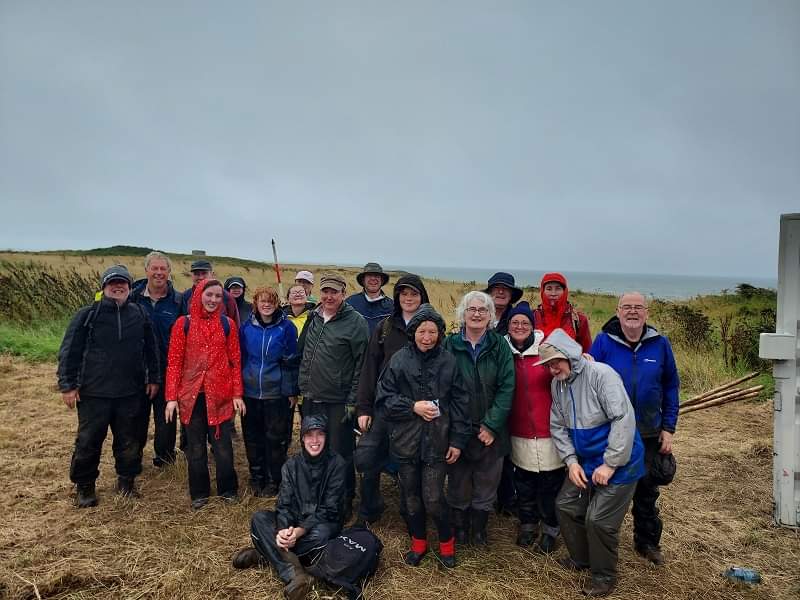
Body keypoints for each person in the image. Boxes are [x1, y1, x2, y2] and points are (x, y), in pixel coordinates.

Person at [538, 329, 645, 597]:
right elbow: (558, 426)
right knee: (565, 505)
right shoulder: (558, 384)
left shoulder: (601, 375)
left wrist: (610, 464)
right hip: (586, 461)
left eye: (556, 362)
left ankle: (603, 577)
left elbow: (622, 418)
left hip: (621, 460)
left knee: (598, 520)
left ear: (570, 356)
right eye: (548, 365)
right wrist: (571, 462)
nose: (553, 369)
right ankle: (582, 559)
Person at [58, 265, 160, 507]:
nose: (118, 287)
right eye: (112, 283)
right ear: (103, 287)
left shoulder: (140, 314)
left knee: (130, 440)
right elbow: (69, 352)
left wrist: (153, 378)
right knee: (88, 441)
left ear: (129, 287)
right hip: (94, 393)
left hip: (131, 392)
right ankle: (85, 487)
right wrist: (68, 385)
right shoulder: (87, 315)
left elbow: (151, 349)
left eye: (122, 283)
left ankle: (126, 482)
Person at [589, 292, 679, 566]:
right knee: (605, 488)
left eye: (638, 307)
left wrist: (668, 427)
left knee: (646, 490)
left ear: (646, 313)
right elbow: (589, 382)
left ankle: (647, 543)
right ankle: (601, 542)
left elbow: (671, 386)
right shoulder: (603, 342)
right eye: (626, 307)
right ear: (617, 312)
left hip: (648, 431)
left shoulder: (660, 344)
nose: (632, 311)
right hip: (610, 432)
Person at [379, 305, 470, 568]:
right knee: (411, 498)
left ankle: (447, 544)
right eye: (422, 331)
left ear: (440, 334)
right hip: (405, 441)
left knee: (433, 498)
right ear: (413, 332)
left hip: (438, 442)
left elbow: (461, 403)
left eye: (432, 332)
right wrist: (412, 407)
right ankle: (418, 543)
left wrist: (457, 441)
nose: (427, 337)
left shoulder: (448, 361)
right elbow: (384, 398)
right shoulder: (399, 360)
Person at [232, 414, 346, 600]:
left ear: (327, 437)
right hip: (294, 524)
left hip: (321, 524)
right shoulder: (291, 465)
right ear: (302, 438)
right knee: (259, 519)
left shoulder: (337, 464)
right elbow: (284, 505)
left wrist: (299, 532)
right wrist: (283, 531)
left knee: (322, 535)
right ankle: (295, 573)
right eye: (309, 435)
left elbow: (330, 509)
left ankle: (267, 554)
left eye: (320, 434)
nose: (315, 440)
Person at [354, 274, 429, 526]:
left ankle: (411, 514)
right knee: (367, 458)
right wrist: (364, 408)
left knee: (410, 465)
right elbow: (369, 368)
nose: (408, 298)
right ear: (397, 297)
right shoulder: (385, 327)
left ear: (422, 297)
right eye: (403, 293)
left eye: (414, 293)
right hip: (383, 407)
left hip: (414, 412)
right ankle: (369, 509)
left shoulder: (430, 328)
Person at [165, 279, 245, 509]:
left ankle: (228, 490)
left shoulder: (227, 324)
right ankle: (199, 493)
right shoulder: (183, 324)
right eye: (209, 295)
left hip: (220, 396)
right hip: (192, 397)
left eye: (218, 296)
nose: (213, 300)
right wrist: (171, 398)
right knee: (196, 447)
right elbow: (174, 363)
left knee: (223, 446)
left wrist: (237, 394)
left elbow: (235, 361)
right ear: (199, 295)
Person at [443, 291, 515, 547]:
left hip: (491, 428)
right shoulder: (449, 345)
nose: (476, 314)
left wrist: (492, 425)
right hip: (458, 427)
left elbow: (507, 386)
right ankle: (460, 529)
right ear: (463, 314)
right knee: (458, 480)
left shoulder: (500, 345)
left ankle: (479, 530)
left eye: (483, 310)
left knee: (487, 480)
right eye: (471, 309)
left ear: (491, 315)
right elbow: (443, 387)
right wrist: (455, 429)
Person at [298, 273, 369, 521]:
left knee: (340, 453)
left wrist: (353, 401)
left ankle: (344, 500)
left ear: (343, 294)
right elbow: (305, 354)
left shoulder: (356, 322)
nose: (329, 297)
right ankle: (317, 497)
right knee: (313, 448)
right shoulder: (314, 317)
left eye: (334, 292)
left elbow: (362, 365)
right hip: (311, 396)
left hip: (339, 401)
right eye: (325, 291)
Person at [504, 301, 564, 553]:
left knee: (551, 484)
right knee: (524, 482)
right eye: (515, 322)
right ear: (508, 326)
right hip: (518, 430)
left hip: (549, 430)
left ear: (532, 326)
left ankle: (551, 529)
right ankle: (528, 524)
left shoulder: (546, 350)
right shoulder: (502, 352)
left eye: (525, 322)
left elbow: (566, 372)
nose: (519, 326)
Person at [240, 286, 299, 497]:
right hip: (250, 392)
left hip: (276, 393)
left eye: (271, 301)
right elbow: (241, 358)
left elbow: (292, 361)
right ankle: (257, 477)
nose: (266, 305)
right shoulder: (246, 327)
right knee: (252, 438)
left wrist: (291, 391)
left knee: (275, 439)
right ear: (255, 303)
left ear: (277, 304)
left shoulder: (287, 327)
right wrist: (238, 389)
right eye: (262, 301)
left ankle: (275, 480)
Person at [130, 251, 183, 468]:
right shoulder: (132, 299)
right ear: (146, 270)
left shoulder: (178, 301)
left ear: (169, 272)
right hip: (137, 371)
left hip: (167, 370)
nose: (159, 273)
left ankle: (165, 459)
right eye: (155, 268)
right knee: (135, 418)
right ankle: (132, 458)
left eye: (163, 269)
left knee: (166, 420)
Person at [484, 271, 524, 515]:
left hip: (513, 388)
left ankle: (507, 498)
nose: (500, 292)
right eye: (495, 288)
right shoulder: (481, 315)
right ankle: (486, 495)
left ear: (511, 295)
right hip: (484, 389)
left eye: (505, 289)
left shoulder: (517, 319)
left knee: (507, 448)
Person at [533, 272, 592, 352]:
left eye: (558, 289)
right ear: (542, 291)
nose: (553, 293)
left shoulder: (578, 320)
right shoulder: (532, 316)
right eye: (549, 289)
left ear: (565, 291)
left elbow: (587, 352)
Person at [181, 259, 241, 328]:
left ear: (212, 274)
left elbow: (235, 325)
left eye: (204, 273)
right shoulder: (186, 296)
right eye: (196, 274)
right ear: (192, 275)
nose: (200, 277)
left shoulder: (226, 297)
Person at [346, 262, 394, 335]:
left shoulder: (392, 306)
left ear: (382, 280)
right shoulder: (350, 303)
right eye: (369, 275)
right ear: (363, 280)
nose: (373, 278)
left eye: (377, 276)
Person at [484, 271, 523, 336]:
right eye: (496, 287)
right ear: (489, 292)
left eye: (506, 288)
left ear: (511, 294)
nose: (501, 291)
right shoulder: (478, 315)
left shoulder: (518, 318)